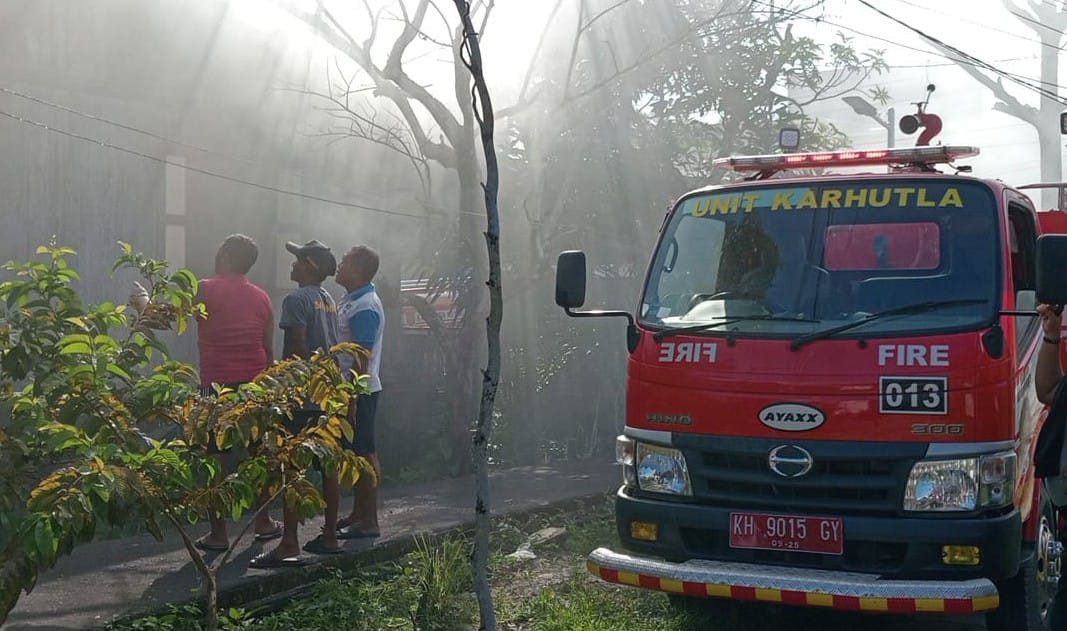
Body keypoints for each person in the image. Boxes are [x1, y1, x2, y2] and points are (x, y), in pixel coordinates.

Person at [250, 239, 342, 568]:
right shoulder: (328, 299)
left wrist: (282, 387)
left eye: (297, 260)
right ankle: (329, 534)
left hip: (301, 398)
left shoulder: (296, 299)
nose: (291, 265)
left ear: (310, 267)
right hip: (327, 393)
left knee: (291, 467)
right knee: (328, 468)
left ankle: (289, 543)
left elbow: (297, 349)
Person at [193, 234, 282, 552]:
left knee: (216, 458)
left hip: (215, 385)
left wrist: (145, 304)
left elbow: (172, 316)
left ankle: (218, 533)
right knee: (260, 453)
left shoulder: (204, 288)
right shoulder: (262, 298)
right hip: (255, 384)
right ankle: (263, 521)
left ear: (226, 256)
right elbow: (269, 350)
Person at [334, 245, 385, 540]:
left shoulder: (365, 305)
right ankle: (359, 513)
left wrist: (350, 395)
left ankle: (370, 521)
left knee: (364, 453)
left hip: (359, 390)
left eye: (344, 262)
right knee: (356, 452)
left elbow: (360, 357)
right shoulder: (351, 299)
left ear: (359, 270)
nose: (339, 266)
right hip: (351, 388)